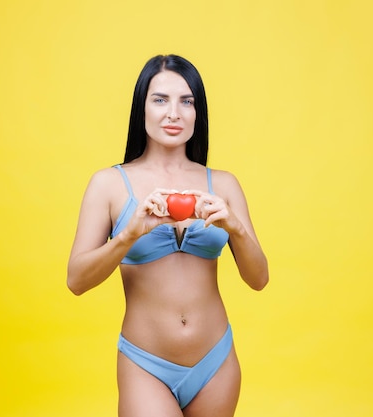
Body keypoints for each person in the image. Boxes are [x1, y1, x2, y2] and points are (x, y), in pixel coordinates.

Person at [67, 54, 269, 417]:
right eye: (160, 99)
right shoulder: (109, 184)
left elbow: (259, 279)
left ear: (197, 112)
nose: (174, 113)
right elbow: (76, 280)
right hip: (146, 364)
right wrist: (129, 235)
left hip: (216, 362)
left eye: (186, 101)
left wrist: (234, 228)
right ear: (141, 108)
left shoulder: (223, 184)